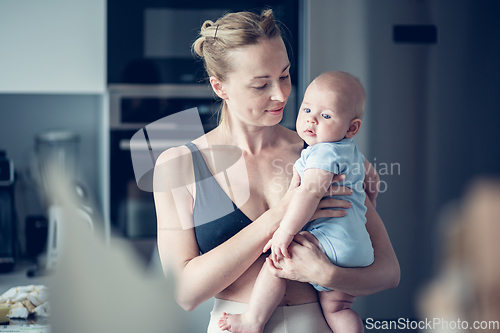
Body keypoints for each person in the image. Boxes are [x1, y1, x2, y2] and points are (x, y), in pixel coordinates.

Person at [153, 9, 400, 333]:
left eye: (284, 75)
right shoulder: (180, 165)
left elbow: (388, 271)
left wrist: (328, 276)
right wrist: (280, 214)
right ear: (220, 87)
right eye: (260, 84)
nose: (281, 94)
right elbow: (184, 293)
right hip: (236, 325)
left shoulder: (319, 153)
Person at [218, 71, 373, 333]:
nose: (311, 119)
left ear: (352, 127)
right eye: (307, 109)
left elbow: (309, 193)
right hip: (357, 248)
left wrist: (284, 233)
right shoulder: (352, 151)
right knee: (339, 309)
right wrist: (370, 204)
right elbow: (373, 181)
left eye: (325, 116)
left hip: (330, 246)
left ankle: (252, 321)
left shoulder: (323, 153)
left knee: (275, 265)